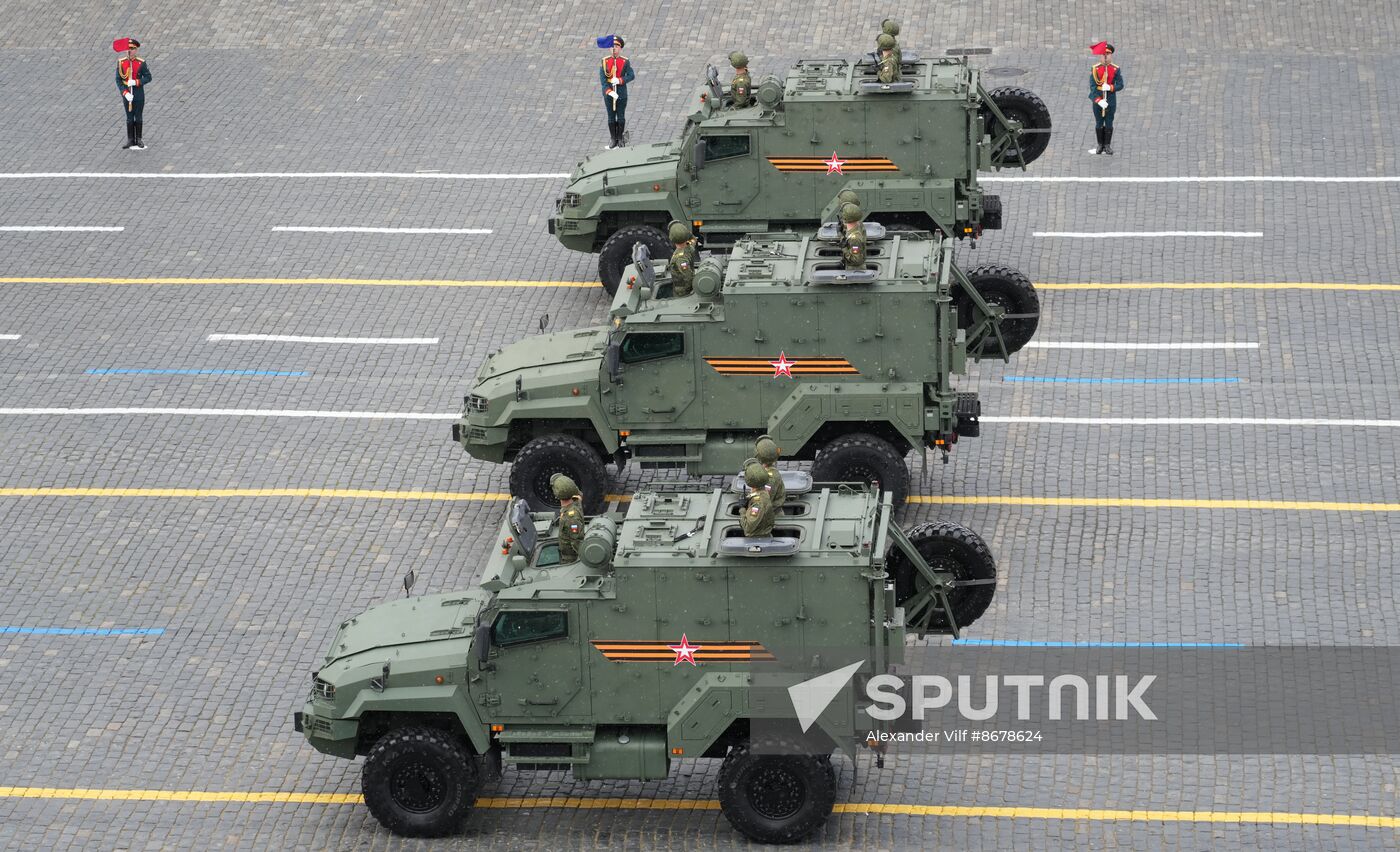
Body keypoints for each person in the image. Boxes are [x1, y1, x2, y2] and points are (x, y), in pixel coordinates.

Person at [113, 37, 151, 150]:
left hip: (138, 93)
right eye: (128, 48)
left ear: (136, 50)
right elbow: (118, 79)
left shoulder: (141, 63)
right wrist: (124, 92)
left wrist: (136, 82)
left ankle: (138, 138)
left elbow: (148, 77)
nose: (130, 51)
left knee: (138, 116)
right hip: (127, 94)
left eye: (132, 48)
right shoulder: (121, 63)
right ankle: (130, 139)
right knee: (129, 118)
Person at [598, 35, 635, 150]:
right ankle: (613, 138)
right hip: (609, 94)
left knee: (621, 117)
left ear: (620, 48)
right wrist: (609, 92)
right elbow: (603, 81)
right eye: (612, 47)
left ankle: (620, 138)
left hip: (621, 93)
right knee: (611, 117)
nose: (614, 49)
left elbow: (631, 75)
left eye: (616, 47)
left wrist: (620, 80)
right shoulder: (605, 62)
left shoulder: (625, 62)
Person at [1089, 41, 1125, 155]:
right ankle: (1100, 145)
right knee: (1099, 122)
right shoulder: (1095, 69)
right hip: (1099, 100)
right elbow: (1093, 87)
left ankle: (1107, 145)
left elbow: (1120, 84)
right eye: (1103, 55)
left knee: (1109, 121)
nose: (1105, 57)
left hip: (1110, 99)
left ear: (1111, 55)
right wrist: (1099, 101)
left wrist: (1110, 87)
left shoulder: (1115, 69)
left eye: (1107, 55)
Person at [551, 473, 585, 563]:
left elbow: (576, 541)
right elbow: (577, 492)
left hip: (569, 558)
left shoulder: (570, 518)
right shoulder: (576, 500)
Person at [740, 463, 776, 537]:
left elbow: (748, 527)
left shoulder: (757, 505)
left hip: (756, 538)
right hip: (763, 533)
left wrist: (742, 510)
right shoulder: (765, 493)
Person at [666, 221, 697, 297]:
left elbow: (688, 276)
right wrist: (685, 232)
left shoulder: (680, 259)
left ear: (672, 238)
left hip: (682, 291)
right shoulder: (689, 246)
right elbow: (693, 239)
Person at [754, 435, 785, 508]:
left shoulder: (769, 479)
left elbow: (763, 503)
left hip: (770, 515)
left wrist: (743, 510)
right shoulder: (770, 473)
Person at [839, 202, 867, 270]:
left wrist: (844, 249)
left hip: (854, 270)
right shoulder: (856, 227)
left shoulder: (854, 239)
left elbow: (857, 260)